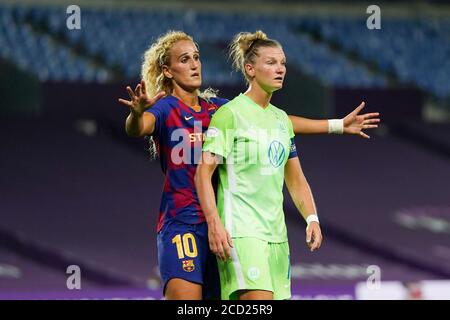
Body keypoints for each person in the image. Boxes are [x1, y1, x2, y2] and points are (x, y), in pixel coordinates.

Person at [118, 30, 379, 300]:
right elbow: (137, 129)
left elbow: (269, 119)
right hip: (183, 222)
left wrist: (335, 125)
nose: (195, 64)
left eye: (196, 57)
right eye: (185, 60)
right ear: (168, 71)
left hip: (220, 221)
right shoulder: (166, 108)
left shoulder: (219, 108)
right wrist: (136, 115)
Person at [195, 30, 324, 300]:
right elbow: (203, 174)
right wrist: (214, 223)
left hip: (277, 237)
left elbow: (296, 179)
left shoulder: (281, 121)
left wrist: (311, 218)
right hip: (241, 233)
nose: (280, 69)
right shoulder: (229, 114)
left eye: (283, 63)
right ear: (250, 69)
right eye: (271, 63)